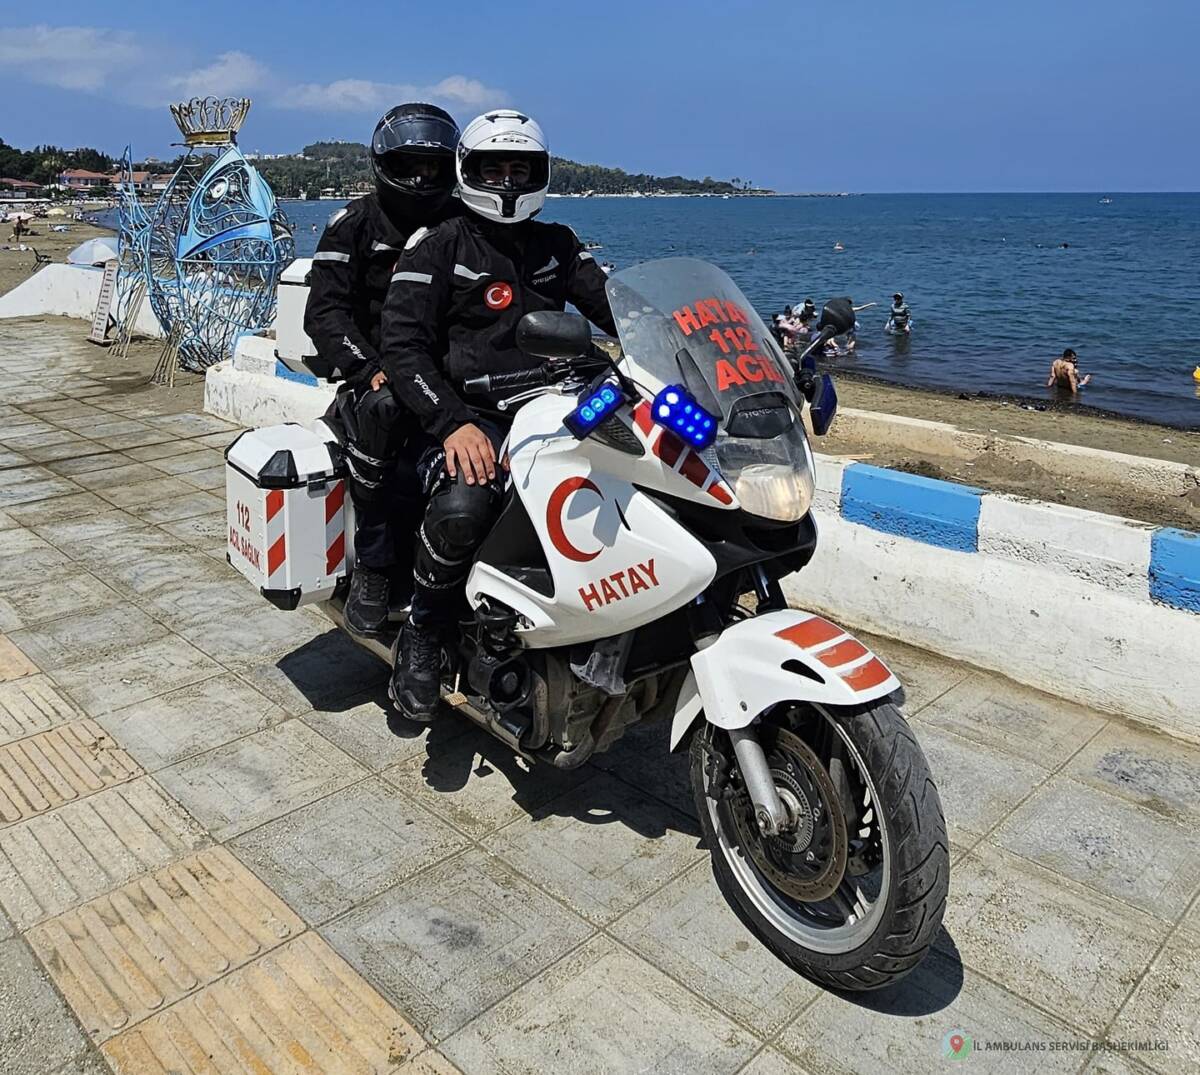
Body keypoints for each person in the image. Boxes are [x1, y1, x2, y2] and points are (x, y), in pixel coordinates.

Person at [379, 108, 617, 720]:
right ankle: (424, 632)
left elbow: (617, 307)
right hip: (470, 413)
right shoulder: (439, 245)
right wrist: (451, 422)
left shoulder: (557, 245)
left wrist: (687, 339)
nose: (508, 181)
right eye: (494, 169)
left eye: (520, 169)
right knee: (464, 507)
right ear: (468, 171)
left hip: (554, 406)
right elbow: (402, 346)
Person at [304, 103, 461, 637]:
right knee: (385, 414)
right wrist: (368, 368)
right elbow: (324, 313)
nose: (421, 177)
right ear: (384, 164)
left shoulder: (460, 224)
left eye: (433, 166)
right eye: (409, 164)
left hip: (442, 374)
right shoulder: (355, 225)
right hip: (376, 380)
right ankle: (373, 567)